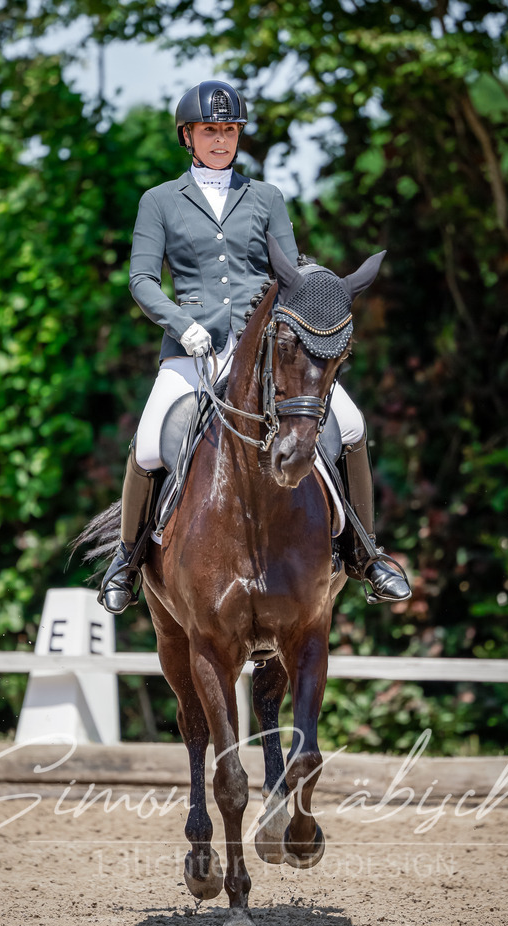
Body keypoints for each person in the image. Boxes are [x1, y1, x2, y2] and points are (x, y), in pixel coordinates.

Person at [99, 80, 411, 614]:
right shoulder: (159, 202)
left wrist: (313, 308)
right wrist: (181, 322)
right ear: (189, 136)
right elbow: (142, 279)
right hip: (191, 351)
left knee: (352, 423)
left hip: (265, 352)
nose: (221, 140)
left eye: (229, 130)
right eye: (210, 131)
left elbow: (288, 274)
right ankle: (127, 559)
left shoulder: (265, 197)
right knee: (150, 440)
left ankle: (364, 552)